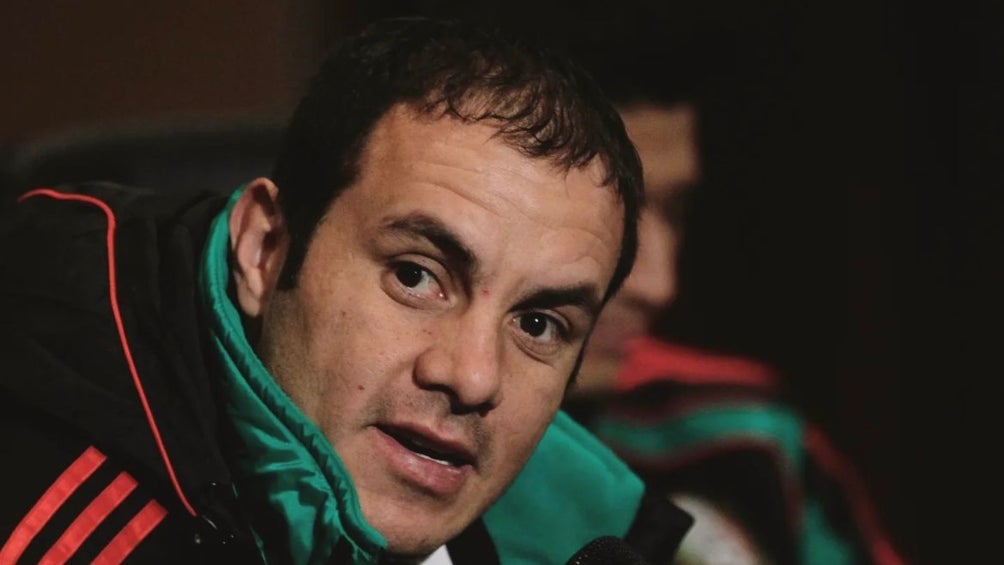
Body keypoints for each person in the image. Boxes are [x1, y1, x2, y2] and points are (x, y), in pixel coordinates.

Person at [0, 18, 693, 565]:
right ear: (264, 249)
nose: (474, 376)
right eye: (416, 276)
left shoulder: (576, 539)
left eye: (537, 323)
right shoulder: (59, 519)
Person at [558, 28, 908, 565]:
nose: (658, 285)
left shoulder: (739, 433)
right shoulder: (422, 438)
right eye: (610, 210)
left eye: (675, 211)